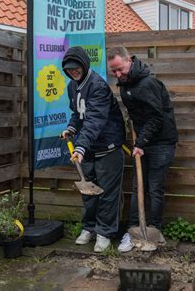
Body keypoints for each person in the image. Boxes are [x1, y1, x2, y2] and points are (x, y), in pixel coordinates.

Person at [107, 46, 178, 253]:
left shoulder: (147, 83)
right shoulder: (125, 85)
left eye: (120, 69)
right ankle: (133, 232)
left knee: (155, 188)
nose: (118, 75)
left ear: (129, 60)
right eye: (114, 72)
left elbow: (156, 117)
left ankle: (154, 230)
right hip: (144, 142)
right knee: (138, 187)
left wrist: (141, 142)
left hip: (161, 142)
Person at [61, 46, 125, 252]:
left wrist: (79, 146)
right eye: (69, 69)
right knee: (88, 191)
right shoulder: (72, 86)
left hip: (108, 146)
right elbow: (78, 114)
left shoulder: (98, 86)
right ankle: (89, 227)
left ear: (84, 64)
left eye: (76, 67)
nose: (73, 71)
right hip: (88, 148)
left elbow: (94, 120)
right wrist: (71, 128)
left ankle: (104, 232)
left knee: (107, 193)